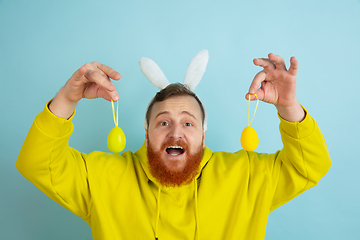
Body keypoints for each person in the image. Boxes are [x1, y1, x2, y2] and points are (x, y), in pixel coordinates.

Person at [17, 53, 331, 240]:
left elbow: (310, 165)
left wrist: (288, 107)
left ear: (204, 136)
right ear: (146, 134)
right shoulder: (103, 177)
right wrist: (66, 98)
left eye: (189, 123)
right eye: (163, 122)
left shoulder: (246, 176)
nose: (175, 131)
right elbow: (37, 162)